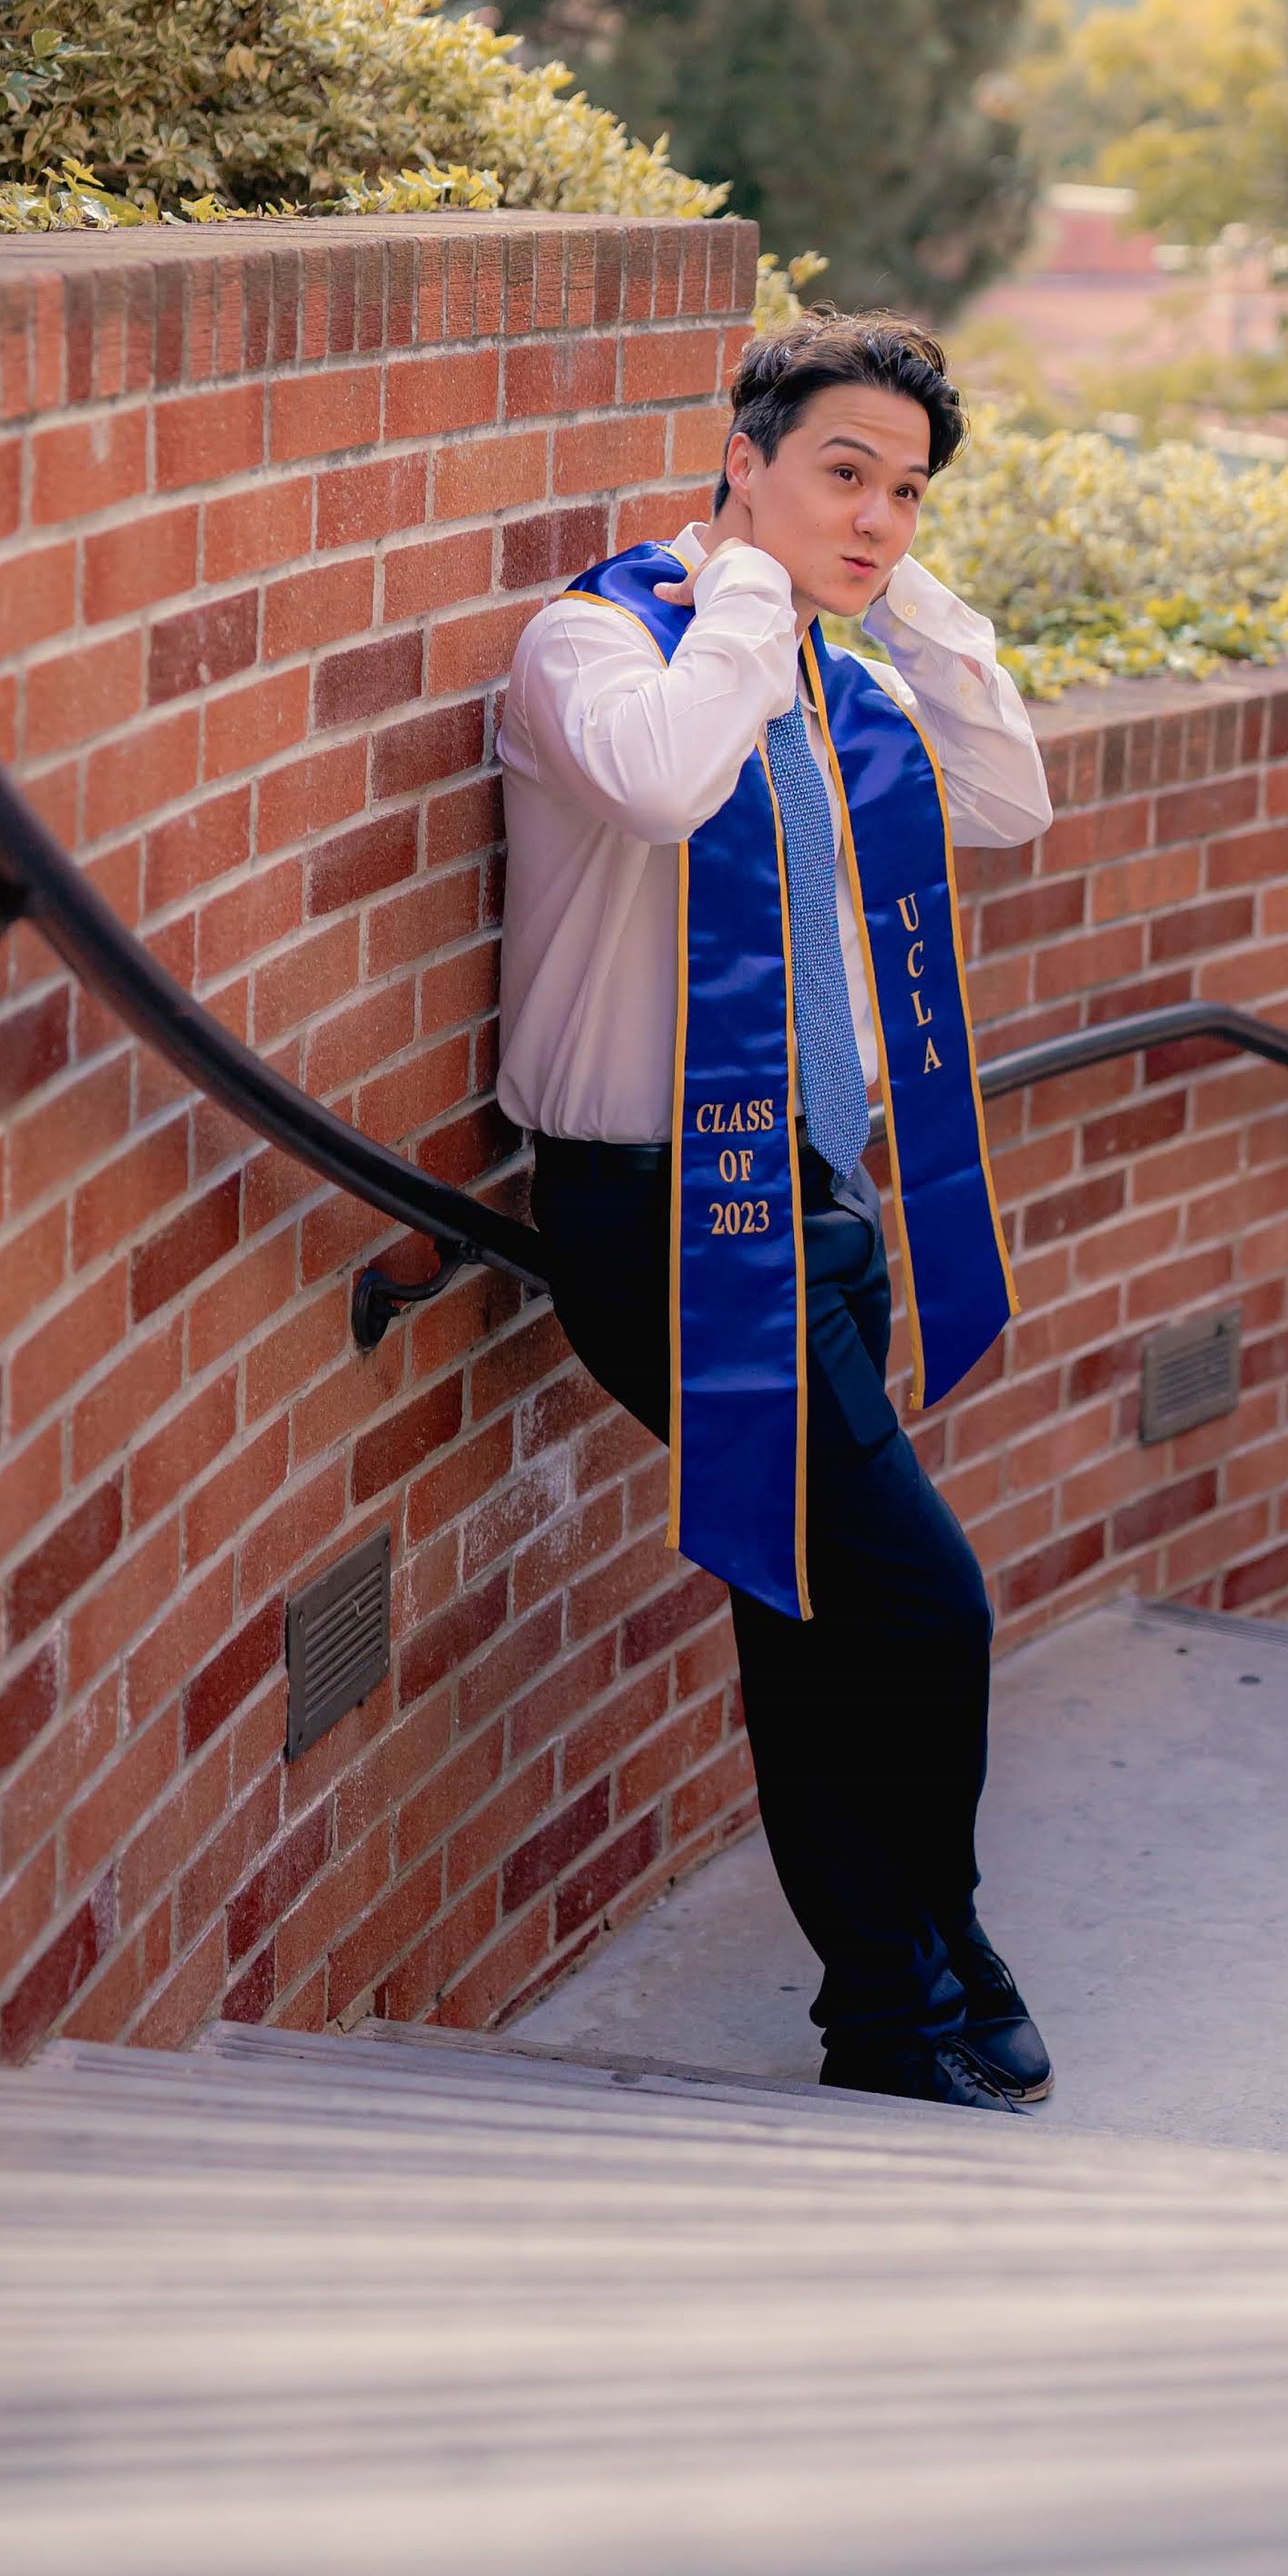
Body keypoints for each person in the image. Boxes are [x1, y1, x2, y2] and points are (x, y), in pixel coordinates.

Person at [496, 311, 1056, 2109]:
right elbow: (663, 779)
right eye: (840, 472)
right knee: (926, 1604)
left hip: (818, 1208)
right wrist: (747, 582)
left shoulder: (838, 682)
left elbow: (1008, 804)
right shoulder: (588, 644)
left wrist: (894, 611)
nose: (876, 517)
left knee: (809, 1611)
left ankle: (880, 2002)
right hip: (664, 1223)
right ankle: (941, 1941)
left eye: (904, 492)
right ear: (735, 456)